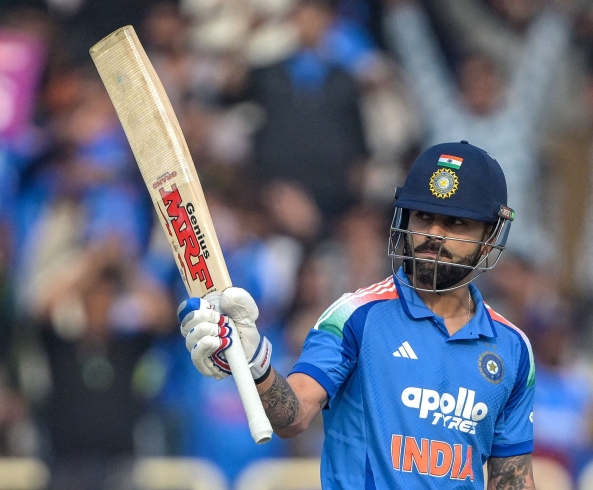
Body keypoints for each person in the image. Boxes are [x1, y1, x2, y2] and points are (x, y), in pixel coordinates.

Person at [179, 142, 536, 488]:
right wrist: (257, 363)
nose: (433, 234)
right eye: (424, 216)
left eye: (456, 223)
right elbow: (293, 416)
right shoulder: (355, 316)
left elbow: (512, 481)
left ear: (489, 237)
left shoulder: (513, 349)